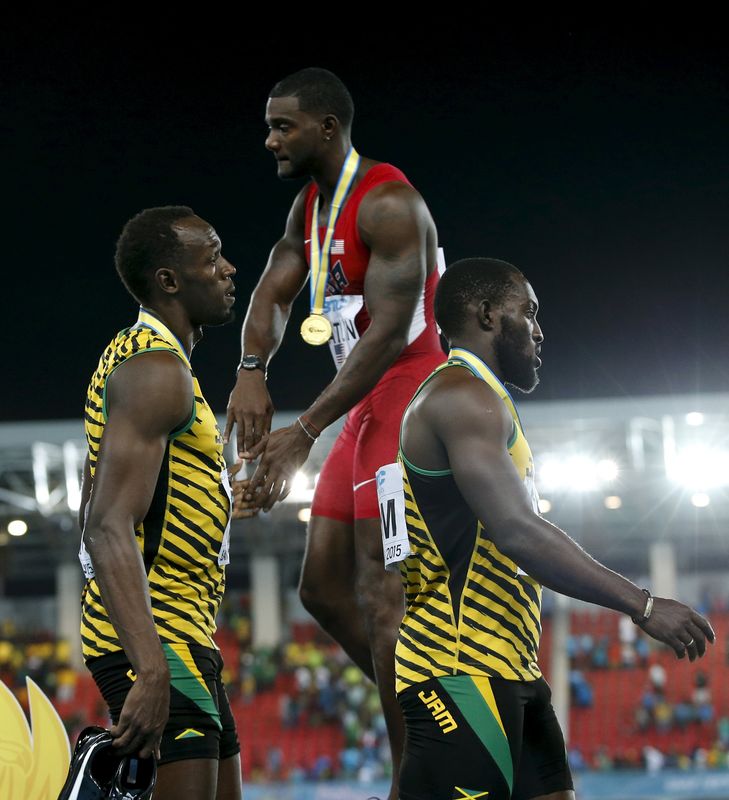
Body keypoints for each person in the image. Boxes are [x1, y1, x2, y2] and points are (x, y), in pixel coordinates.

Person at [391, 257, 715, 800]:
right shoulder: (459, 396)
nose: (539, 331)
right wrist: (645, 605)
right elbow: (518, 531)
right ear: (489, 315)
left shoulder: (488, 402)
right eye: (530, 313)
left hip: (512, 668)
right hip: (459, 669)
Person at [226, 67, 445, 796]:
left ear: (326, 127)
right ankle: (430, 698)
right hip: (361, 405)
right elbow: (271, 291)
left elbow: (385, 338)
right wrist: (252, 368)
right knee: (321, 588)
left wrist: (305, 429)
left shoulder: (387, 201)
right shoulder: (309, 211)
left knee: (383, 594)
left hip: (410, 393)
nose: (269, 139)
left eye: (281, 125)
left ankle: (411, 773)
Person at [78, 206, 247, 799]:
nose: (229, 269)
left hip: (183, 634)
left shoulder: (151, 363)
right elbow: (104, 526)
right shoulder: (154, 368)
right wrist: (150, 667)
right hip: (160, 640)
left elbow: (92, 502)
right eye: (213, 256)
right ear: (169, 281)